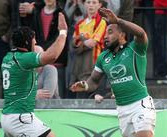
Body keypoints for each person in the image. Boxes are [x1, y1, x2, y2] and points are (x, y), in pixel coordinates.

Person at [70, 8, 156, 137]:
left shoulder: (135, 48)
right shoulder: (103, 57)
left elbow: (141, 33)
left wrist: (119, 21)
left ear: (122, 35)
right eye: (105, 33)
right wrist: (85, 85)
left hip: (140, 105)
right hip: (122, 110)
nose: (105, 36)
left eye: (110, 32)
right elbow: (93, 81)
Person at [1, 13, 67, 137]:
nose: (35, 42)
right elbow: (52, 56)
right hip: (20, 117)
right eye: (34, 39)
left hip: (7, 116)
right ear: (27, 42)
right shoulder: (24, 58)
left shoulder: (7, 57)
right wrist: (63, 32)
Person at [69, 0, 107, 98]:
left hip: (94, 67)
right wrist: (83, 40)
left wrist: (81, 38)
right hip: (79, 67)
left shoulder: (101, 22)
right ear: (84, 4)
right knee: (80, 98)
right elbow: (73, 45)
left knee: (94, 99)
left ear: (99, 5)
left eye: (94, 2)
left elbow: (92, 43)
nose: (91, 5)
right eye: (88, 2)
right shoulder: (80, 23)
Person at [32, 0, 69, 98]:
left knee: (56, 93)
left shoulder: (61, 13)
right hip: (38, 57)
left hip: (56, 59)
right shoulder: (37, 11)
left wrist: (44, 51)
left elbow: (62, 36)